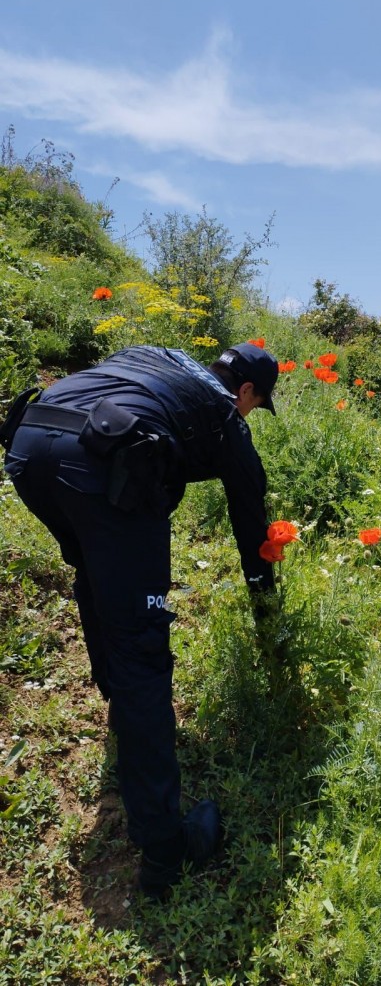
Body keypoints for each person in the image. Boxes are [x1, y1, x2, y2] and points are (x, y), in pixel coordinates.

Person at [0, 341, 279, 899]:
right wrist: (268, 617)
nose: (251, 413)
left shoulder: (161, 357)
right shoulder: (226, 416)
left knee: (95, 571)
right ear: (246, 391)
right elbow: (253, 527)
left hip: (29, 441)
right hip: (102, 458)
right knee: (142, 648)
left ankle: (118, 698)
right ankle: (165, 850)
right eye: (256, 404)